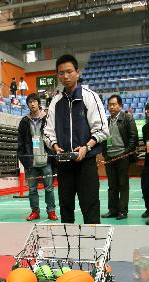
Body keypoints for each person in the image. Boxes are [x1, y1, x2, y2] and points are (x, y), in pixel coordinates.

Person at [44, 54, 109, 224]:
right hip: (64, 164)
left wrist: (86, 147)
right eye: (61, 73)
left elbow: (102, 129)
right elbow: (47, 132)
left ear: (77, 73)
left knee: (90, 207)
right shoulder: (55, 102)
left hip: (86, 163)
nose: (65, 76)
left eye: (69, 72)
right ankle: (68, 248)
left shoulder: (90, 97)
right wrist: (55, 146)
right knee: (65, 209)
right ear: (57, 75)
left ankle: (96, 249)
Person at [18, 93, 58, 221]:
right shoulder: (24, 122)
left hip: (46, 160)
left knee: (49, 188)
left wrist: (53, 155)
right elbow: (21, 143)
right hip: (31, 163)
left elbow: (54, 136)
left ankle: (51, 211)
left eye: (35, 101)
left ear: (38, 103)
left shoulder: (47, 118)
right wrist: (24, 158)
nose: (33, 104)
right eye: (30, 102)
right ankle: (35, 211)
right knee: (32, 189)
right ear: (28, 104)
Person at [101, 94, 138, 220]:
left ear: (120, 106)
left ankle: (122, 211)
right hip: (110, 157)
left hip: (122, 156)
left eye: (114, 104)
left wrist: (125, 153)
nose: (111, 107)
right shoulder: (107, 121)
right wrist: (105, 154)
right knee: (112, 186)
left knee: (123, 185)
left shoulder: (127, 118)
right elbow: (103, 140)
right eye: (110, 105)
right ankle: (112, 210)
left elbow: (133, 138)